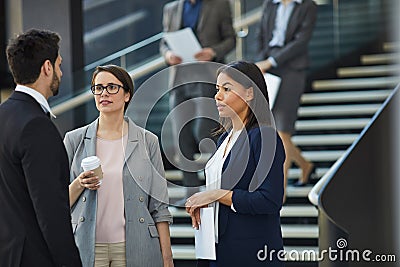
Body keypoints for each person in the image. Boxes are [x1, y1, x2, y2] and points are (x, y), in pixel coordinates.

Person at [64, 65, 174, 266]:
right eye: (98, 88)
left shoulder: (147, 141)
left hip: (135, 246)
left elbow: (159, 206)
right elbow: (57, 202)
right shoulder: (74, 140)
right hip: (86, 246)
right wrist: (80, 183)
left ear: (127, 95)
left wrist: (166, 257)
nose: (104, 93)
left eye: (112, 87)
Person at [185, 61, 285, 266]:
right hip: (216, 247)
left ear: (250, 93)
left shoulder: (264, 136)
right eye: (217, 89)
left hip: (250, 252)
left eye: (227, 89)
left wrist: (216, 195)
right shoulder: (224, 139)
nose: (217, 96)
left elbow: (270, 200)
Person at [0, 29, 82, 266]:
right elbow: (51, 213)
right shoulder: (36, 125)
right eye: (59, 65)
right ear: (47, 67)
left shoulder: (3, 115)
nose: (61, 72)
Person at [160, 0, 236, 203]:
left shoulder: (219, 5)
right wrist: (168, 54)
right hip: (179, 79)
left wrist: (212, 52)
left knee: (205, 130)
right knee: (180, 137)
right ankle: (191, 193)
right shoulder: (171, 9)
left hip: (207, 76)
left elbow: (231, 39)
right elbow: (164, 42)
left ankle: (217, 185)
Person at [255, 0, 318, 200]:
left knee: (282, 129)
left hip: (292, 68)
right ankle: (306, 166)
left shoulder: (307, 6)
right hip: (267, 67)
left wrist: (271, 61)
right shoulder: (270, 5)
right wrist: (260, 62)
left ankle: (278, 191)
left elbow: (301, 41)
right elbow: (261, 36)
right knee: (271, 128)